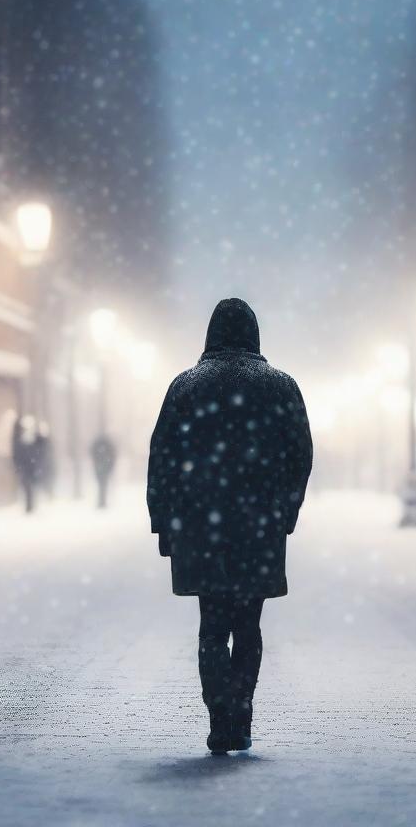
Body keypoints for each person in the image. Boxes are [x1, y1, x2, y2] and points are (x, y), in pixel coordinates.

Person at [147, 298, 312, 754]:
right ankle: (241, 711)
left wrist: (163, 520)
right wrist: (286, 510)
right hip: (258, 524)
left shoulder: (185, 387)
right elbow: (301, 455)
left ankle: (220, 717)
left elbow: (162, 458)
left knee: (211, 626)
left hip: (201, 526)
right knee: (249, 624)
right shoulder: (281, 387)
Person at [90, 432, 118, 509]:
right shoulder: (107, 445)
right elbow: (112, 456)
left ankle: (101, 501)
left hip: (101, 467)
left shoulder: (98, 445)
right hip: (103, 467)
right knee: (103, 485)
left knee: (102, 485)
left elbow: (93, 454)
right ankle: (102, 501)